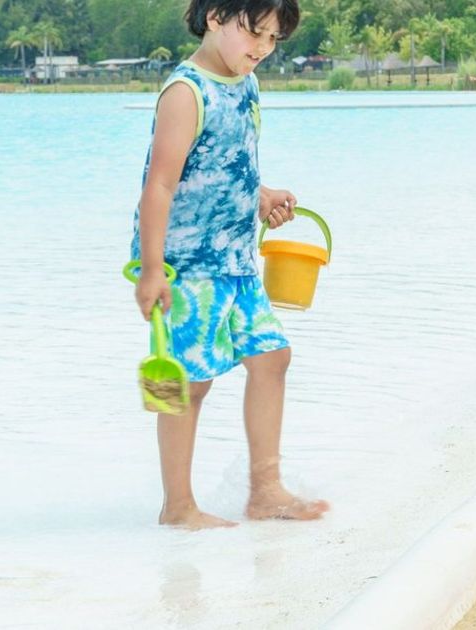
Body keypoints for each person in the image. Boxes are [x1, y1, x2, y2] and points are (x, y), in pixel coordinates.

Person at [130, 0, 329, 530]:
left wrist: (260, 197)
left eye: (273, 39)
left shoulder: (246, 84)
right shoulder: (186, 92)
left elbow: (224, 164)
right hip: (186, 264)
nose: (262, 48)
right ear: (216, 17)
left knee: (272, 357)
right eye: (254, 32)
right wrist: (152, 268)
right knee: (187, 382)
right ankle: (177, 507)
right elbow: (160, 186)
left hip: (236, 258)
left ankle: (265, 491)